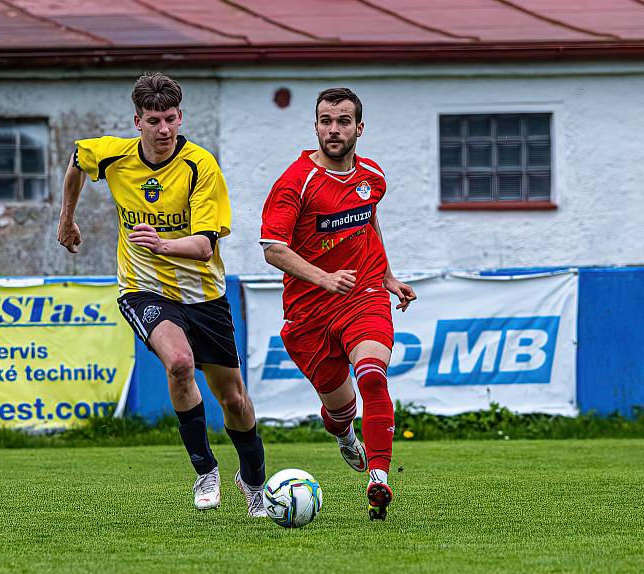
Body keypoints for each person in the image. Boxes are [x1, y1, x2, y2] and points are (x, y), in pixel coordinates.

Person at [58, 72, 266, 517]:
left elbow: (205, 245)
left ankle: (253, 480)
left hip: (204, 293)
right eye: (154, 120)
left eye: (171, 119)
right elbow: (77, 159)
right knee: (179, 362)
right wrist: (67, 219)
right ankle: (205, 470)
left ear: (181, 117)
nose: (164, 130)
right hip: (143, 288)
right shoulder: (112, 155)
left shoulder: (200, 167)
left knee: (234, 399)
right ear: (138, 121)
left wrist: (163, 243)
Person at [260, 87, 416, 521]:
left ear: (359, 128)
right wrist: (323, 278)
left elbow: (368, 220)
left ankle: (380, 479)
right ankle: (345, 433)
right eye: (326, 120)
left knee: (372, 376)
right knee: (339, 408)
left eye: (343, 121)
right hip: (308, 311)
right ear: (315, 126)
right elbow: (272, 248)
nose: (334, 129)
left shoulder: (373, 177)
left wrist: (386, 277)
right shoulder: (296, 181)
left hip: (361, 295)